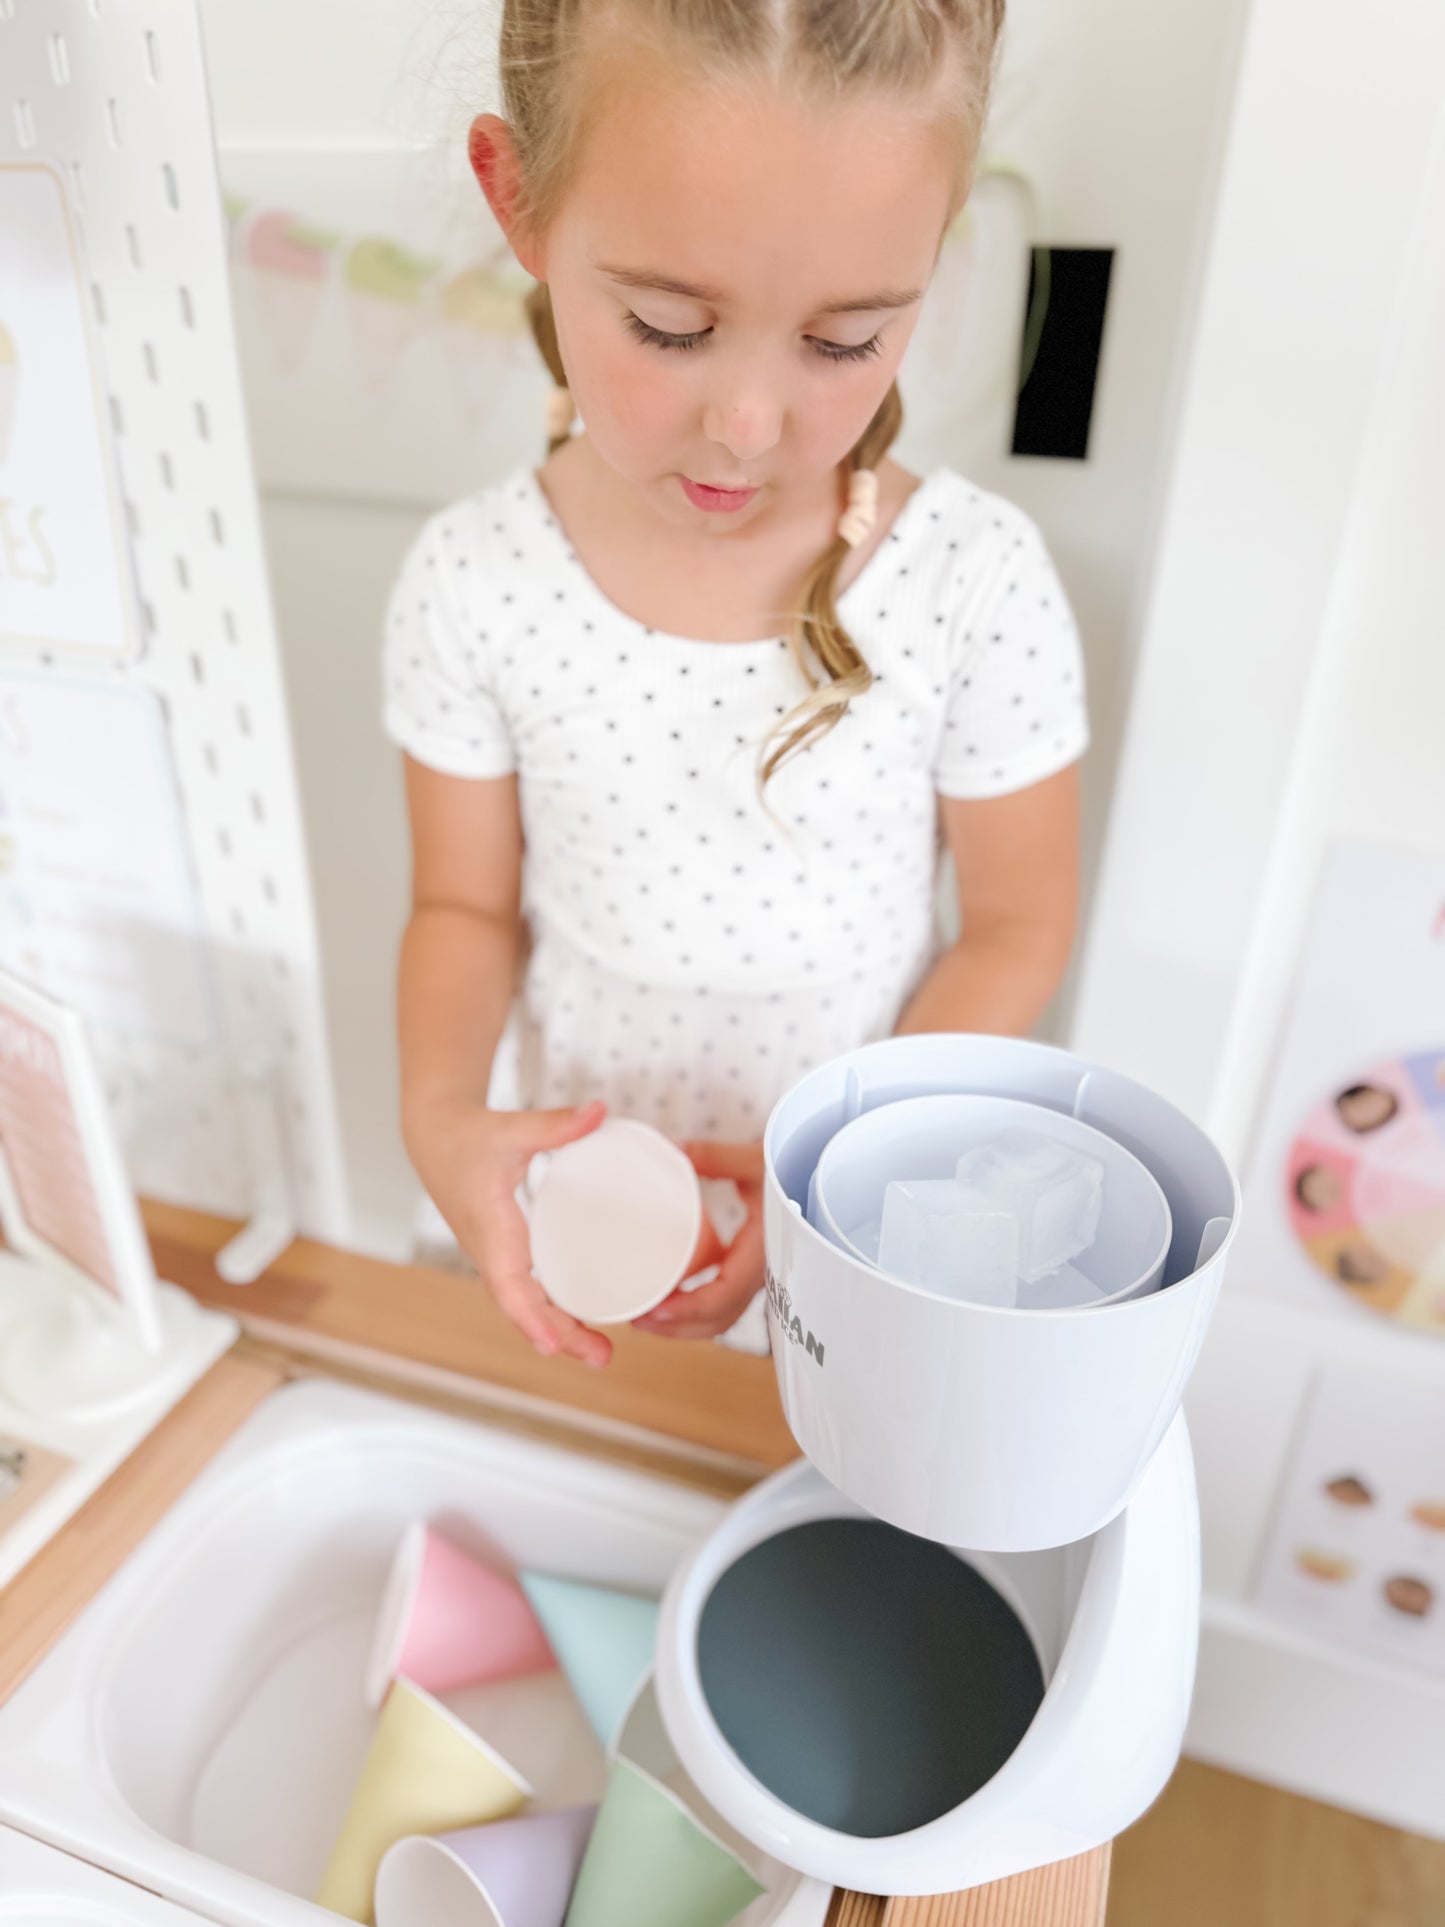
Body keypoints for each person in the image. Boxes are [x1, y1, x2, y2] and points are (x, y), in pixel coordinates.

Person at [386, 0, 1089, 1367]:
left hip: (851, 1229)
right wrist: (438, 1117)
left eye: (844, 342)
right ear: (517, 200)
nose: (749, 427)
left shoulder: (974, 582)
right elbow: (461, 905)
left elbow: (1015, 926)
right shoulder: (474, 578)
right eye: (667, 327)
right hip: (576, 1220)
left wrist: (828, 1169)